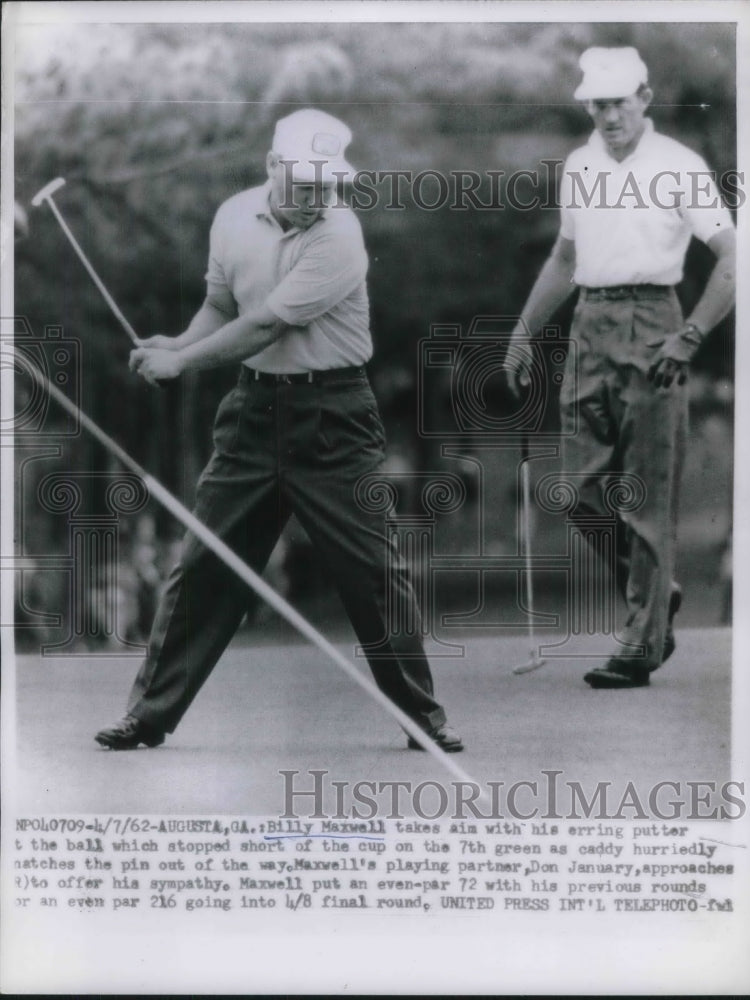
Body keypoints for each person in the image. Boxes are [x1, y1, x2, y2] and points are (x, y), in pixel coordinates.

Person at [95, 109, 463, 751]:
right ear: (272, 166)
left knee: (370, 569)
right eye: (303, 182)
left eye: (326, 184)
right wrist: (179, 341)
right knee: (204, 564)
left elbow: (266, 324)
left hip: (336, 416)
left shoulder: (340, 236)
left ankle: (421, 718)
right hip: (253, 412)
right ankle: (147, 714)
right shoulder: (233, 216)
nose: (316, 196)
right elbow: (221, 305)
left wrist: (180, 362)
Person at [504, 47, 735, 688]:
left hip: (656, 322)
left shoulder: (680, 167)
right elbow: (562, 258)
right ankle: (657, 593)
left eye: (617, 101)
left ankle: (640, 643)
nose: (607, 115)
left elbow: (733, 257)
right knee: (576, 489)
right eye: (596, 104)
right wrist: (523, 334)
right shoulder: (579, 167)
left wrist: (691, 334)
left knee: (647, 497)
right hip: (589, 325)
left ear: (645, 98)